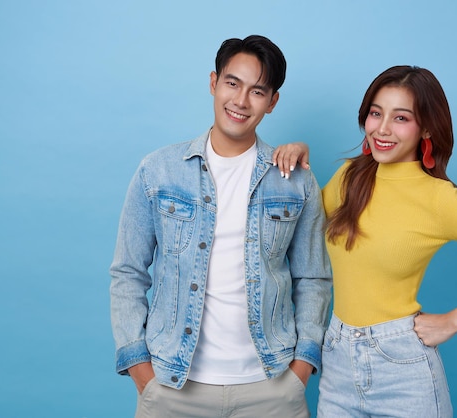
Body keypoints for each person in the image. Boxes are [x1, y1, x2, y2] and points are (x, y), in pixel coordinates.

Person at [272, 65, 457, 417]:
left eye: (401, 118)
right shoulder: (350, 176)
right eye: (376, 113)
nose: (382, 129)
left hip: (403, 368)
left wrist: (453, 321)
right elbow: (295, 229)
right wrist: (298, 159)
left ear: (427, 128)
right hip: (338, 359)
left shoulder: (440, 200)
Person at [109, 35, 332, 418]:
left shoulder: (294, 180)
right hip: (172, 386)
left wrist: (302, 369)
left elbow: (313, 278)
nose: (241, 101)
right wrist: (142, 372)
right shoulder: (158, 171)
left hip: (272, 387)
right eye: (232, 83)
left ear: (272, 102)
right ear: (213, 83)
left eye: (257, 91)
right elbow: (128, 272)